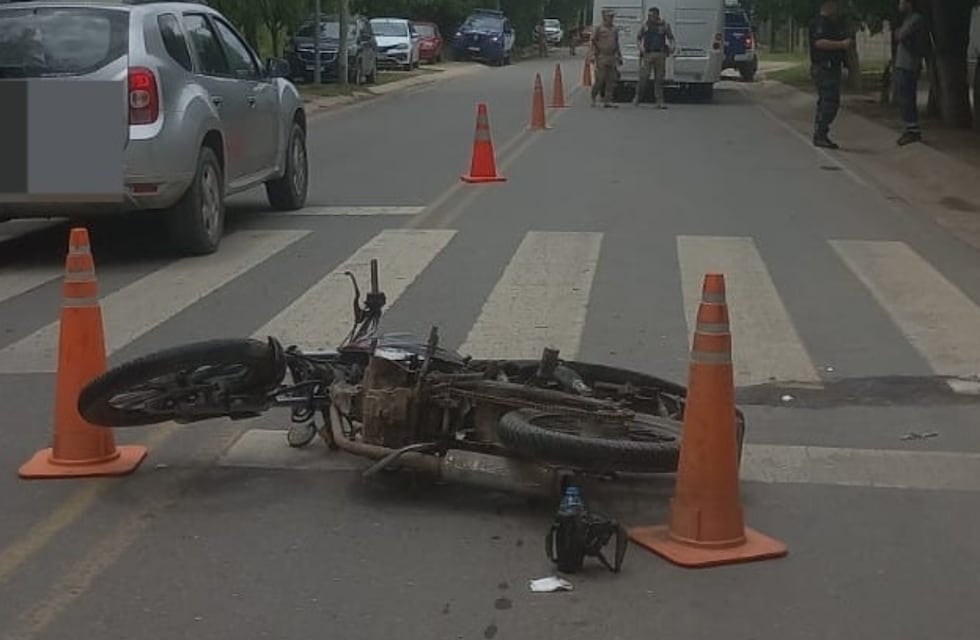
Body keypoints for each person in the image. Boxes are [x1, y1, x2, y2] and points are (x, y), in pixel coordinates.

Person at [808, 0, 852, 149]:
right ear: (828, 4)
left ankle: (820, 133)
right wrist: (842, 45)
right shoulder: (821, 23)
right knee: (829, 102)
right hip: (824, 67)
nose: (838, 7)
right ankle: (820, 134)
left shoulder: (832, 23)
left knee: (826, 101)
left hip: (831, 67)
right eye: (835, 4)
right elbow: (819, 43)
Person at [893, 0, 929, 145]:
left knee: (907, 96)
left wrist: (899, 33)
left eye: (902, 1)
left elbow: (899, 35)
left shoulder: (915, 19)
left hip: (909, 64)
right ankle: (909, 128)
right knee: (904, 97)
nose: (899, 4)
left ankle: (912, 130)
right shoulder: (907, 19)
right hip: (903, 63)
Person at [633, 6, 675, 108]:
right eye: (649, 15)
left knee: (659, 79)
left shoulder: (664, 25)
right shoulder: (646, 26)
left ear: (657, 15)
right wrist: (640, 48)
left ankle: (659, 101)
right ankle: (638, 97)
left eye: (652, 15)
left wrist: (672, 48)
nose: (650, 17)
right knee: (644, 77)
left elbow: (671, 38)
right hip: (648, 54)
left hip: (660, 54)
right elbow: (638, 38)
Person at [590, 8, 623, 108]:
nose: (611, 19)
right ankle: (593, 97)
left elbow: (616, 43)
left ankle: (607, 100)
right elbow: (593, 41)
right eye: (609, 16)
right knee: (600, 79)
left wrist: (619, 56)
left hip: (612, 56)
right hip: (602, 56)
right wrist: (592, 54)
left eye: (612, 17)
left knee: (611, 80)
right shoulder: (599, 28)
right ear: (604, 17)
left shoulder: (614, 29)